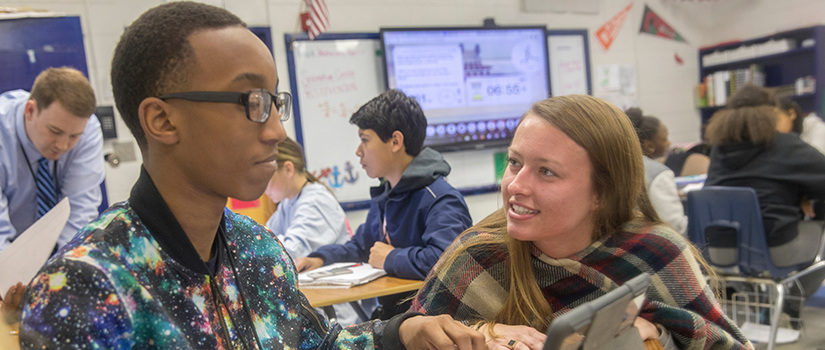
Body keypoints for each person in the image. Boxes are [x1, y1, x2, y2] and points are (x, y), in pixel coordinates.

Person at [19, 3, 485, 349]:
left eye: (274, 103)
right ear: (162, 121)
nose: (276, 131)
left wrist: (400, 333)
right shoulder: (89, 288)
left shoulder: (257, 251)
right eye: (251, 104)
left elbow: (317, 343)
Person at [411, 95, 752, 350]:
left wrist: (661, 334)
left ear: (601, 193)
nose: (515, 185)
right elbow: (410, 334)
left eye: (547, 171)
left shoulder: (655, 252)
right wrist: (480, 331)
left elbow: (727, 344)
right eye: (515, 162)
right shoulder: (478, 254)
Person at [296, 89, 473, 319]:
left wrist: (390, 258)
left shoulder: (440, 198)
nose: (358, 152)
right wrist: (319, 258)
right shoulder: (387, 193)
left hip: (433, 323)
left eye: (365, 140)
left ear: (395, 141)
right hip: (396, 320)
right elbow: (361, 246)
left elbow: (448, 263)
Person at [0, 67, 103, 324]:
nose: (64, 145)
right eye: (55, 131)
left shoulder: (88, 129)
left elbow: (80, 212)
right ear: (30, 110)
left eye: (73, 136)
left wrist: (57, 277)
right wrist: (10, 284)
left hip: (52, 252)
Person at [704, 104, 825, 322]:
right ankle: (790, 302)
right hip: (775, 249)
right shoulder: (786, 145)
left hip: (718, 251)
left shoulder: (718, 150)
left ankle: (763, 304)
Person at [264, 136, 375, 326]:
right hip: (316, 305)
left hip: (336, 312)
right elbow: (265, 238)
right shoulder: (288, 203)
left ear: (288, 169)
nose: (262, 187)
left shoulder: (316, 200)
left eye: (267, 177)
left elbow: (288, 252)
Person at [625, 108, 687, 235]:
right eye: (664, 139)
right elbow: (675, 226)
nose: (669, 142)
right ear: (649, 146)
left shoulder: (622, 164)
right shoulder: (659, 174)